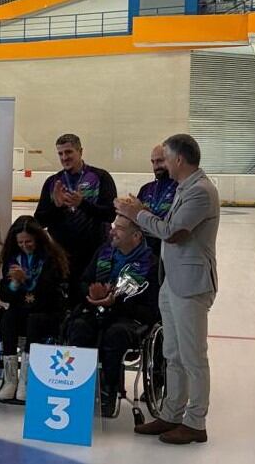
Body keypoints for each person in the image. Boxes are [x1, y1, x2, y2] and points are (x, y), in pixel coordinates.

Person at [116, 134, 219, 445]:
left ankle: (195, 421)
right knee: (172, 354)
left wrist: (137, 215)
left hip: (190, 285)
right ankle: (172, 413)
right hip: (172, 281)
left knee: (193, 356)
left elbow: (173, 233)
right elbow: (167, 223)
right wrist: (143, 209)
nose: (160, 163)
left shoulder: (200, 191)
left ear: (178, 160)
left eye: (165, 158)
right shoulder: (186, 188)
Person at [65, 215, 159, 417]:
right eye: (113, 226)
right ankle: (79, 386)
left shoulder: (150, 264)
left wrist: (115, 302)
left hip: (129, 317)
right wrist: (92, 293)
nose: (112, 231)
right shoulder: (104, 252)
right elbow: (83, 282)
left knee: (114, 334)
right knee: (79, 327)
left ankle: (109, 389)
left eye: (119, 228)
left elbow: (151, 310)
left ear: (136, 236)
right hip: (96, 311)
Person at [35, 134, 117, 302]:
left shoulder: (101, 177)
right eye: (60, 154)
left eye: (68, 152)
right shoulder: (52, 182)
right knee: (64, 302)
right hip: (62, 254)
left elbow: (110, 214)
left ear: (80, 151)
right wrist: (57, 208)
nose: (64, 157)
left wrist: (82, 204)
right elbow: (39, 221)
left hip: (93, 254)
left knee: (87, 299)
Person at [0, 215, 69, 401]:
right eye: (20, 242)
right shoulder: (13, 259)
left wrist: (27, 280)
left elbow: (50, 293)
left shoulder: (50, 259)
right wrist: (14, 283)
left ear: (37, 238)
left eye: (28, 241)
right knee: (7, 319)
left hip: (46, 310)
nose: (24, 245)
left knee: (34, 321)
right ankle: (10, 379)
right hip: (21, 309)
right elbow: (4, 295)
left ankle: (26, 381)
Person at [136, 145, 177, 257]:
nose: (155, 166)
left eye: (160, 161)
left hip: (169, 253)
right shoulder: (146, 189)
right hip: (144, 255)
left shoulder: (181, 189)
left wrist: (144, 215)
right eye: (153, 162)